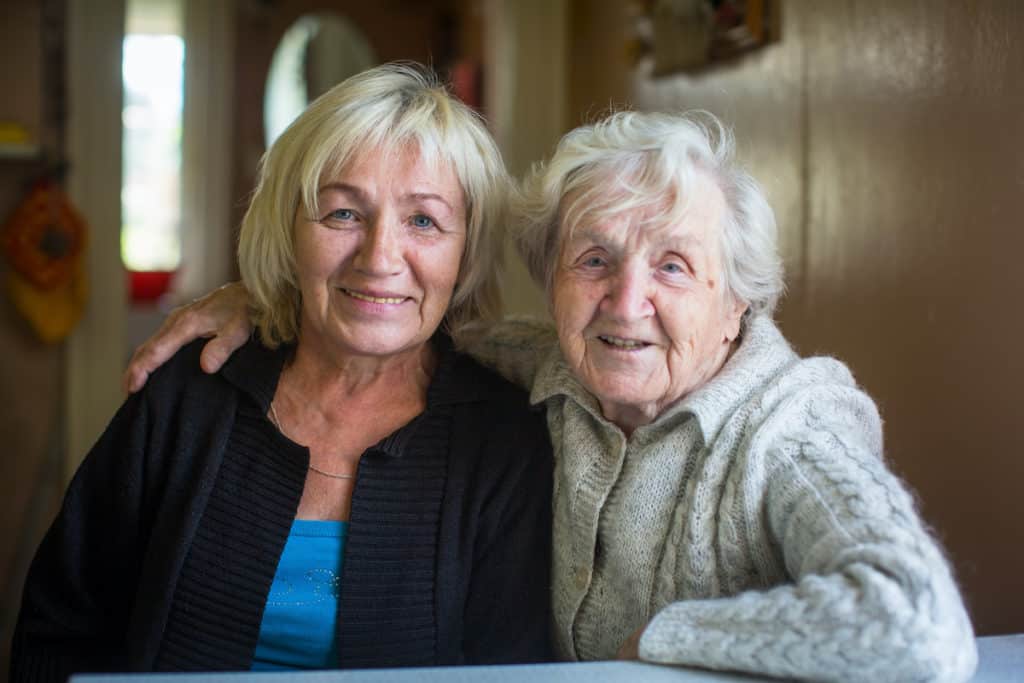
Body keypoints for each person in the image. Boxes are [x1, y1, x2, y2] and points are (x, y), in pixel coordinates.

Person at [121, 109, 978, 682]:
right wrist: (263, 300)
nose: (625, 300)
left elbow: (917, 625)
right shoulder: (556, 370)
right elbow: (395, 314)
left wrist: (671, 639)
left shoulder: (788, 428)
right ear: (553, 283)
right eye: (594, 260)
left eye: (674, 265)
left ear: (737, 301)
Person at [11, 63, 553, 681]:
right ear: (290, 231)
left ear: (466, 252)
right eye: (343, 213)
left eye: (423, 221)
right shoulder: (188, 396)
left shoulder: (506, 443)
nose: (379, 258)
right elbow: (58, 630)